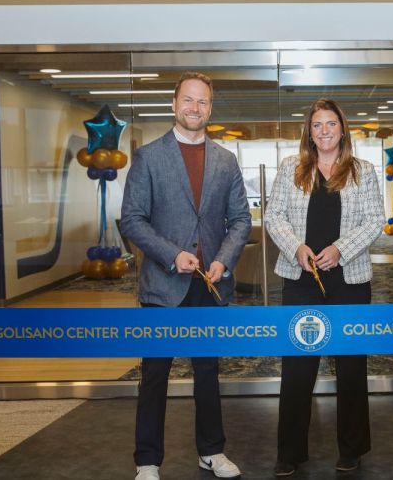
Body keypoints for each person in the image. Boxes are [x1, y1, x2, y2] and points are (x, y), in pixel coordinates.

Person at [121, 71, 251, 480]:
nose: (195, 108)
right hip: (163, 285)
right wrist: (171, 254)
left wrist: (224, 260)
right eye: (188, 100)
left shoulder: (226, 160)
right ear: (174, 105)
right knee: (154, 374)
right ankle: (147, 460)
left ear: (210, 109)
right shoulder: (148, 157)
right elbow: (133, 220)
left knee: (208, 372)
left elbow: (241, 220)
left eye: (203, 102)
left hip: (209, 285)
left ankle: (212, 451)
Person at [264, 98, 384, 477]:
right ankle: (290, 451)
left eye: (331, 123)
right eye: (317, 125)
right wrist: (296, 247)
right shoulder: (291, 168)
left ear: (342, 129)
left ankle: (351, 449)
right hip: (301, 279)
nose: (325, 131)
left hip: (348, 280)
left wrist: (340, 250)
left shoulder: (362, 171)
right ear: (309, 131)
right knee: (297, 366)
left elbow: (375, 220)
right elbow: (274, 215)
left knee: (350, 366)